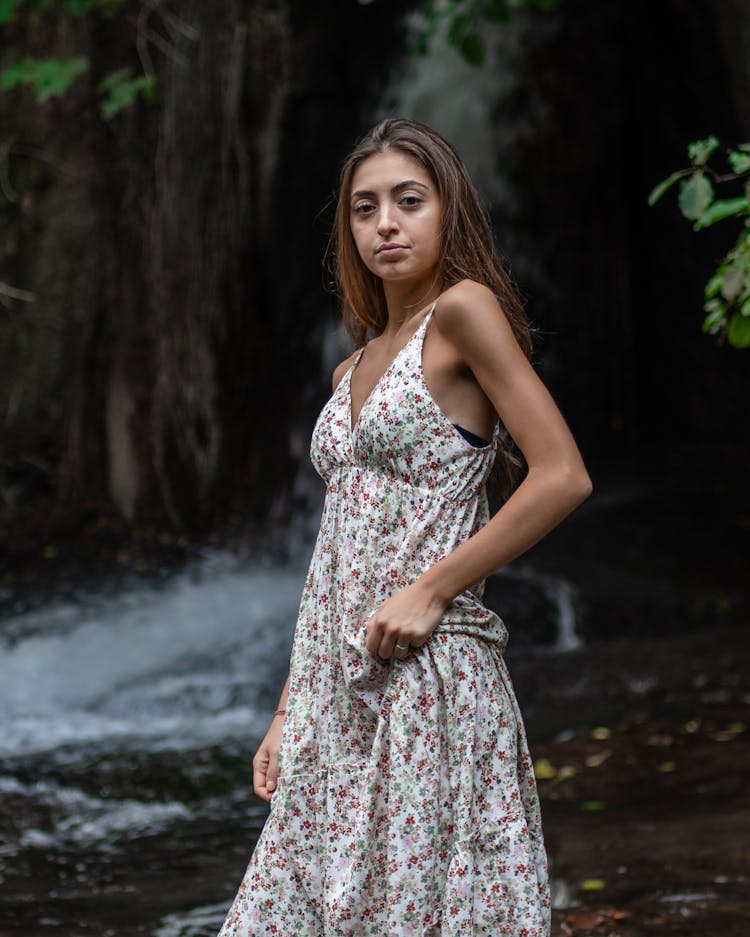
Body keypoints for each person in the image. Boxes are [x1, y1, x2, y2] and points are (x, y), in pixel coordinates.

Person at [217, 116, 592, 937]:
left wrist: (431, 587)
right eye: (364, 208)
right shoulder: (350, 364)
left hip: (428, 676)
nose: (384, 223)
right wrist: (288, 706)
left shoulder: (463, 312)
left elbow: (562, 474)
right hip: (337, 689)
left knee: (423, 913)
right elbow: (334, 551)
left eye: (408, 201)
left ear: (446, 212)